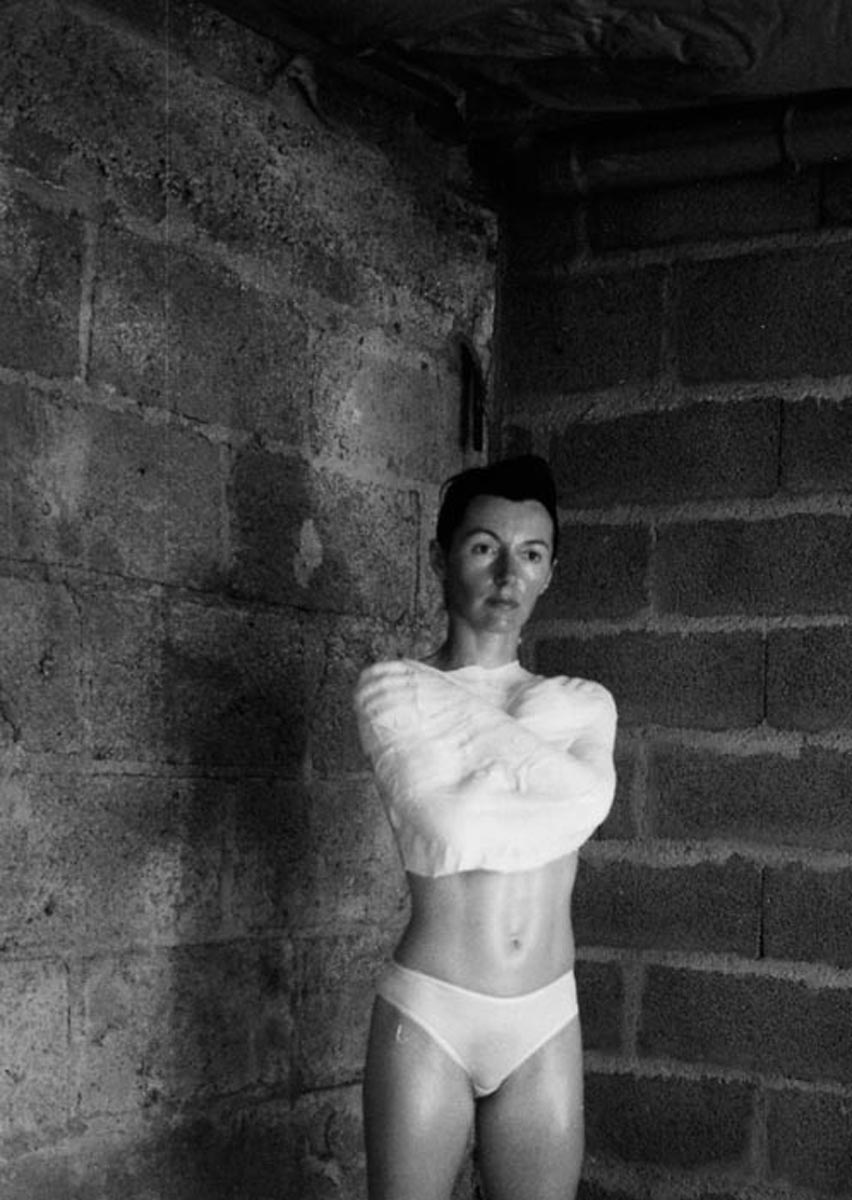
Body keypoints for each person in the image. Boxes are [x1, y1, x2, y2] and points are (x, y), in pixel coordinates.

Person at [353, 455, 617, 1200]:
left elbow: (581, 804)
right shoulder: (393, 692)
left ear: (551, 571)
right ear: (441, 558)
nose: (508, 576)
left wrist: (494, 780)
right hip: (431, 1012)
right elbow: (449, 827)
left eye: (531, 554)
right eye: (483, 548)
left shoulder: (585, 702)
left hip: (545, 1018)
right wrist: (550, 780)